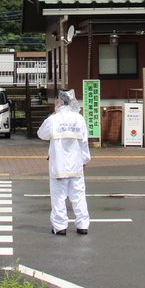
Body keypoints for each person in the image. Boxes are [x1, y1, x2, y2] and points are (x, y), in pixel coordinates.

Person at [36, 89, 92, 236]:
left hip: (58, 165)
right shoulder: (79, 119)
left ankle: (60, 226)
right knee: (78, 195)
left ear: (59, 102)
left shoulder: (54, 119)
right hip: (76, 164)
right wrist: (85, 159)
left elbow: (41, 134)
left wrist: (52, 116)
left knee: (59, 196)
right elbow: (84, 142)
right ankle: (82, 225)